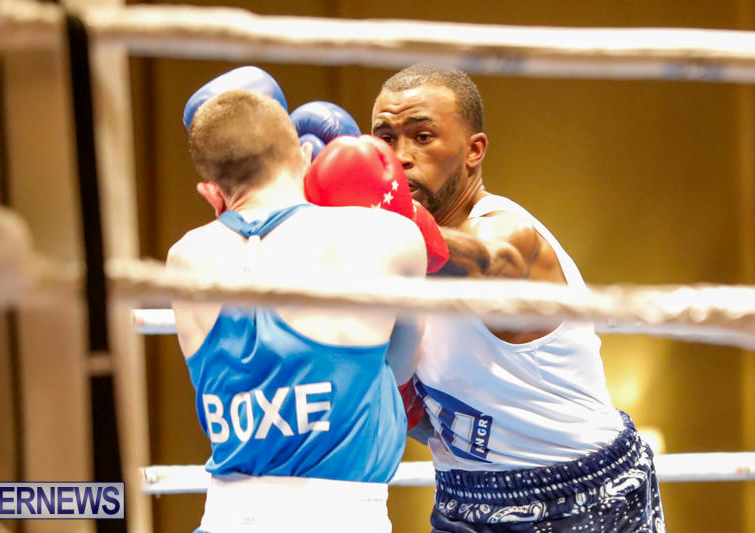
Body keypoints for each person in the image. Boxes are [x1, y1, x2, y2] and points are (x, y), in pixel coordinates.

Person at [371, 65, 665, 532]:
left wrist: (372, 209)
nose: (400, 156)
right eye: (385, 139)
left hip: (582, 495)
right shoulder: (391, 255)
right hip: (463, 498)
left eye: (422, 137)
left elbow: (490, 261)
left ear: (474, 150)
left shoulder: (510, 233)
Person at [168, 87, 430, 532]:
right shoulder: (386, 237)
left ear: (209, 187)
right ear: (305, 153)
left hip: (222, 519)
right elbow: (402, 370)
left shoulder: (185, 257)